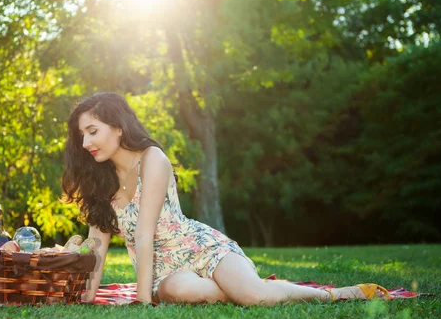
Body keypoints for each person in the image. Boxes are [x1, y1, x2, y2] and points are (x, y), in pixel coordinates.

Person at [62, 92, 390, 305]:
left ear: (118, 127)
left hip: (201, 249)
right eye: (82, 135)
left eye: (93, 130)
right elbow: (97, 246)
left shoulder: (152, 159)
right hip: (165, 274)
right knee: (180, 291)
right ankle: (242, 289)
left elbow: (145, 233)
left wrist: (143, 303)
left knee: (256, 297)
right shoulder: (99, 180)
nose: (87, 142)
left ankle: (335, 295)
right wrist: (87, 299)